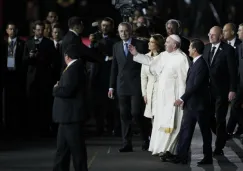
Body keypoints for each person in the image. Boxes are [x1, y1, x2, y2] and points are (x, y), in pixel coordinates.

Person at [129, 34, 189, 159]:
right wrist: (136, 54)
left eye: (168, 42)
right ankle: (162, 148)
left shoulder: (181, 58)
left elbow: (183, 81)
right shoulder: (164, 55)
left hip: (174, 98)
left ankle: (170, 150)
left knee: (173, 125)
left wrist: (182, 98)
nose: (165, 44)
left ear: (175, 45)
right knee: (160, 123)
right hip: (162, 98)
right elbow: (151, 62)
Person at [108, 22, 150, 152]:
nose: (123, 33)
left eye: (125, 31)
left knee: (136, 113)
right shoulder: (116, 46)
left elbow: (146, 64)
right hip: (121, 86)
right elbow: (114, 67)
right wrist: (111, 87)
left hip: (137, 85)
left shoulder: (141, 44)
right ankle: (126, 143)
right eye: (121, 31)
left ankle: (145, 139)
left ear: (130, 31)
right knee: (124, 115)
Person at [173, 39, 212, 165]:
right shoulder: (195, 63)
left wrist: (182, 98)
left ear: (195, 50)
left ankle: (208, 157)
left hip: (200, 106)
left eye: (190, 47)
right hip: (191, 105)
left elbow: (196, 86)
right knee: (185, 130)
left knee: (205, 132)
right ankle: (181, 156)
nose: (188, 49)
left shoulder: (201, 64)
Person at [52, 44, 88, 171]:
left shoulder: (73, 69)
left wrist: (56, 89)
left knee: (77, 151)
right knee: (62, 150)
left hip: (71, 117)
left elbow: (67, 91)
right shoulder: (75, 68)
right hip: (66, 117)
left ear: (66, 56)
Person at [203, 26, 237, 156]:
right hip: (208, 91)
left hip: (222, 91)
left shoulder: (228, 50)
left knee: (220, 119)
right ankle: (222, 136)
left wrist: (232, 89)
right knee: (208, 117)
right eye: (209, 34)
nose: (211, 36)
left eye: (213, 34)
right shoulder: (206, 48)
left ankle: (219, 147)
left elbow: (232, 71)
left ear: (220, 36)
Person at [141, 34, 164, 120]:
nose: (148, 43)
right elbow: (143, 76)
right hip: (150, 91)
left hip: (161, 90)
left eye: (151, 42)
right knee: (152, 117)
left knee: (160, 115)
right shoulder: (146, 56)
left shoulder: (164, 57)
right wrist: (144, 93)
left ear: (158, 44)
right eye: (149, 41)